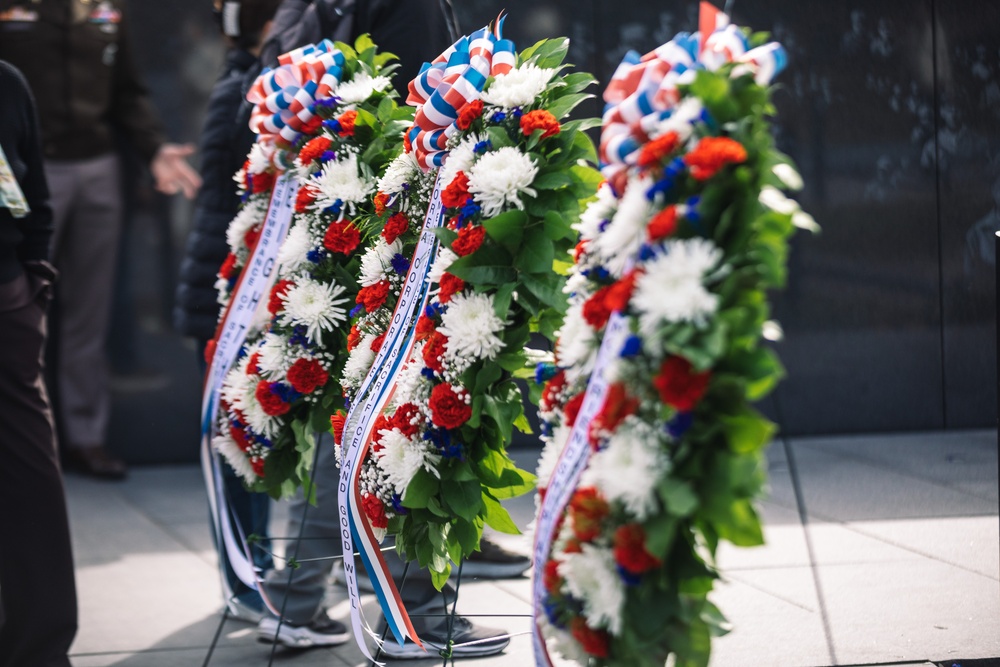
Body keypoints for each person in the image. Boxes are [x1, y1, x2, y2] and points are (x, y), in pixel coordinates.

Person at [253, 1, 526, 657]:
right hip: (396, 219)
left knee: (351, 409)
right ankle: (416, 616)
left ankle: (298, 595)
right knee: (398, 409)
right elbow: (430, 110)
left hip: (340, 209)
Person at [0, 0, 202, 479]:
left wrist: (154, 149)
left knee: (89, 314)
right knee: (22, 303)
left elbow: (128, 92)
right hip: (30, 169)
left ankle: (85, 436)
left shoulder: (106, 11)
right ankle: (26, 437)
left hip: (96, 165)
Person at [174, 0, 283, 624]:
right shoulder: (250, 90)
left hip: (226, 296)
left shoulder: (238, 78)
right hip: (225, 300)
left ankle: (252, 578)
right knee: (238, 448)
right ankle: (247, 584)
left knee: (247, 447)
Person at [0, 59, 77, 667]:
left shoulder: (6, 81)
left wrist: (34, 284)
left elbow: (27, 198)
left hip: (7, 298)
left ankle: (41, 647)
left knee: (27, 474)